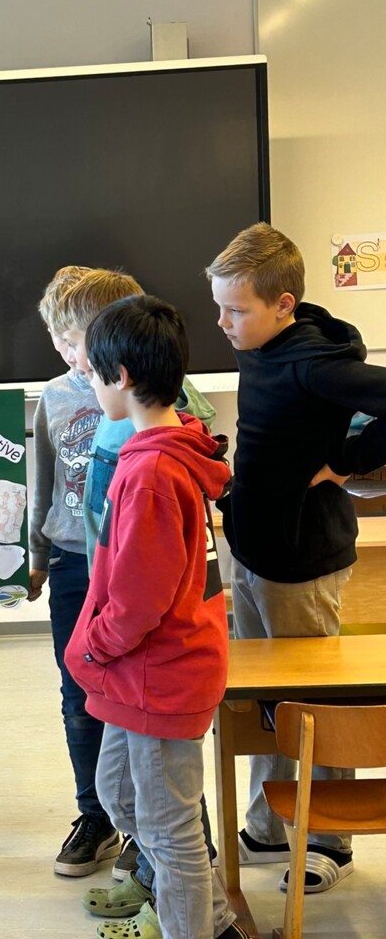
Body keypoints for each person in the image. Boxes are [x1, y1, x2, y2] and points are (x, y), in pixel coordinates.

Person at [206, 223, 386, 895]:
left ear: (283, 304)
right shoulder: (265, 341)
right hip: (252, 548)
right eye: (219, 306)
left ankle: (325, 838)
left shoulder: (315, 360)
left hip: (303, 560)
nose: (222, 323)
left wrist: (347, 462)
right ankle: (269, 818)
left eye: (236, 309)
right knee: (265, 701)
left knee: (315, 702)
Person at [65, 295, 243, 939]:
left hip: (158, 675)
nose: (89, 383)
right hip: (137, 675)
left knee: (171, 835)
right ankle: (212, 920)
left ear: (125, 378)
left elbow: (141, 598)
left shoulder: (152, 470)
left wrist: (92, 649)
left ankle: (197, 927)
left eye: (93, 373)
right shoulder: (159, 453)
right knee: (119, 796)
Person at [28, 266, 119, 878]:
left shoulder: (161, 386)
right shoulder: (55, 396)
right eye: (58, 339)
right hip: (72, 563)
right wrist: (35, 554)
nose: (67, 351)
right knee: (79, 694)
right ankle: (96, 816)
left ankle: (161, 825)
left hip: (135, 562)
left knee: (146, 692)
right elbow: (43, 482)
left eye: (76, 336)